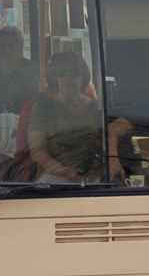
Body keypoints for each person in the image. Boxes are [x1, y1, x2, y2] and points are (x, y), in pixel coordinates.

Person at [27, 50, 112, 183]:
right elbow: (37, 152)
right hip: (54, 176)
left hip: (95, 175)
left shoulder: (99, 108)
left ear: (83, 77)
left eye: (74, 72)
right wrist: (67, 173)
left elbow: (109, 145)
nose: (68, 77)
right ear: (54, 78)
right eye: (61, 73)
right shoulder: (42, 109)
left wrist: (99, 170)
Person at [0, 25, 40, 113]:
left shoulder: (33, 71)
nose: (6, 50)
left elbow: (37, 104)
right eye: (1, 46)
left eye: (11, 46)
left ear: (21, 48)